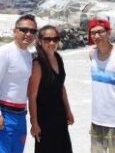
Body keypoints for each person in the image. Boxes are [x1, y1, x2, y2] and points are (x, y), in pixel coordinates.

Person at [0, 14, 37, 153]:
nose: (28, 34)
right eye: (24, 30)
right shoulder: (4, 53)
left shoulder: (28, 55)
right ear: (15, 31)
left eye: (33, 31)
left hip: (20, 115)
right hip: (3, 113)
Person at [28, 25, 74, 153]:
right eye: (47, 39)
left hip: (59, 116)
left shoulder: (58, 58)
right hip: (45, 119)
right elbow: (32, 96)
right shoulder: (38, 64)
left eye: (55, 39)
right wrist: (34, 123)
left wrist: (68, 110)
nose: (52, 42)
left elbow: (61, 86)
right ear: (40, 40)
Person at [88, 18, 115, 153]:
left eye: (100, 32)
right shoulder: (92, 54)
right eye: (93, 33)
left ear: (109, 33)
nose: (97, 36)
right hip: (97, 119)